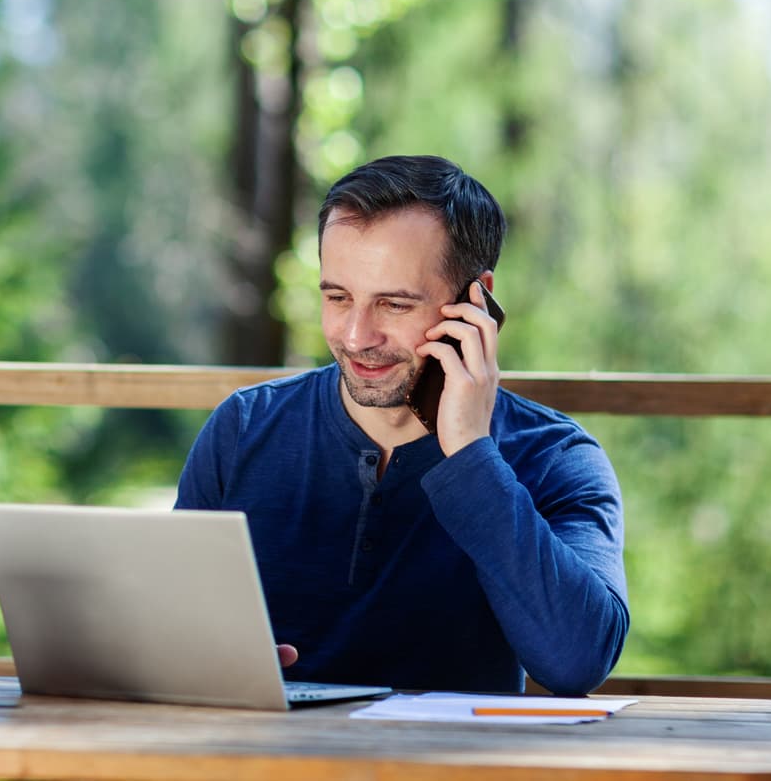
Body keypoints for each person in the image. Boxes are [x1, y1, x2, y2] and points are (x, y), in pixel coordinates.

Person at [176, 155, 629, 696]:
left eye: (393, 303)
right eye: (337, 297)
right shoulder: (243, 429)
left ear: (476, 300)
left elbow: (577, 662)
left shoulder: (556, 457)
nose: (356, 335)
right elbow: (169, 627)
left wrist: (469, 455)